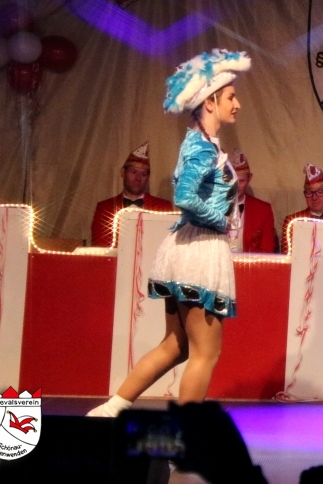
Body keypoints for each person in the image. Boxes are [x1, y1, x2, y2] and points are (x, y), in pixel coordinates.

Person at [87, 49, 251, 418]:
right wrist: (220, 220)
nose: (237, 104)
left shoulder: (202, 143)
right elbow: (185, 196)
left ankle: (110, 411)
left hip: (190, 247)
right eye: (231, 97)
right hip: (200, 250)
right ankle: (186, 433)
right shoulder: (201, 148)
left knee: (176, 346)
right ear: (210, 102)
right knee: (206, 352)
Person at [90, 142, 174, 247]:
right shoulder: (105, 208)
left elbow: (167, 246)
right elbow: (100, 246)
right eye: (133, 172)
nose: (138, 178)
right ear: (123, 173)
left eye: (143, 174)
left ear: (148, 178)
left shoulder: (163, 207)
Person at [228, 150, 277, 253]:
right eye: (232, 180)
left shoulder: (263, 210)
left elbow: (267, 251)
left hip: (250, 263)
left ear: (249, 178)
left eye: (241, 181)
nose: (236, 186)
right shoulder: (211, 207)